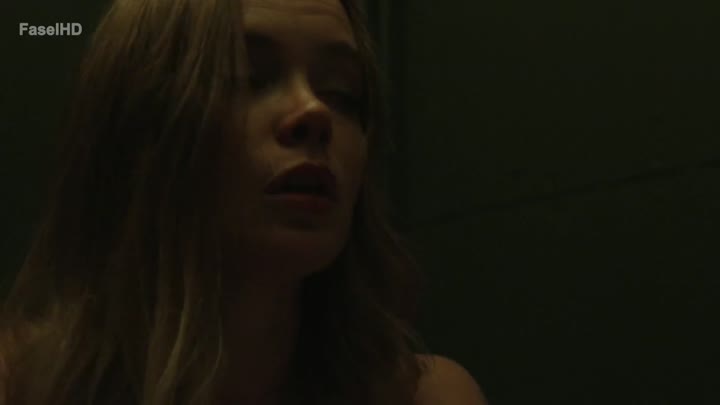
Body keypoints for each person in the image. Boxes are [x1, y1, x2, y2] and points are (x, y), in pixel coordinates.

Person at [0, 0, 488, 404]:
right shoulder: (20, 384)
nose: (314, 111)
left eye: (341, 93)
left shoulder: (426, 397)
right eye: (249, 78)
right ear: (139, 125)